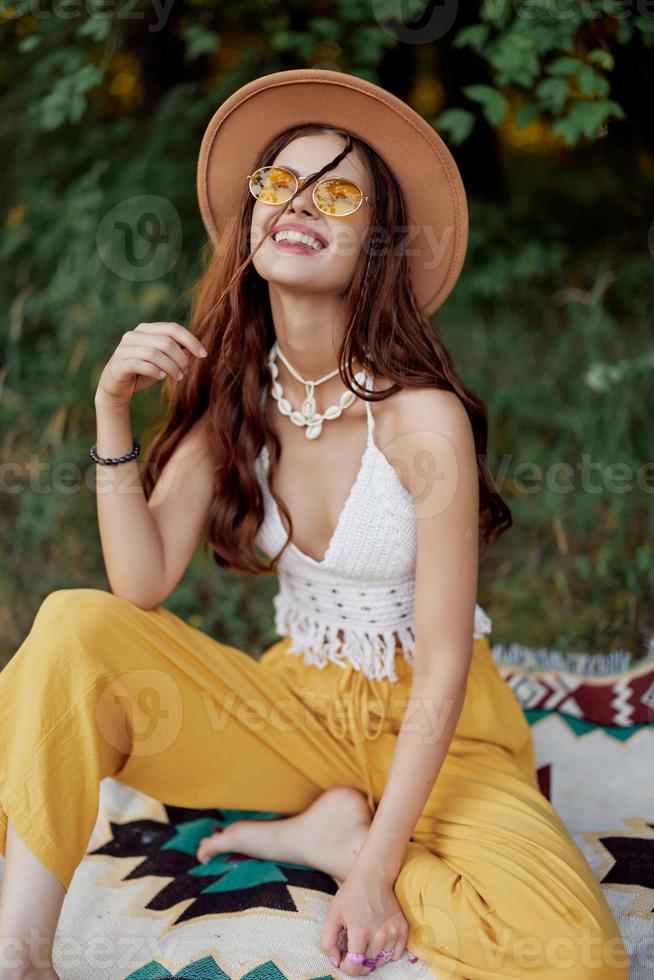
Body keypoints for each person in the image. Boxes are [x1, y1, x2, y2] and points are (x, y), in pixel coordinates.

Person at [0, 69, 628, 980]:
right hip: (296, 712)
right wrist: (109, 413)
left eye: (336, 192)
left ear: (376, 245)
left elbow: (446, 660)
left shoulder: (423, 421)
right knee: (70, 625)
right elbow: (139, 586)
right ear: (253, 213)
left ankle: (341, 838)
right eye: (278, 182)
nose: (297, 204)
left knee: (580, 958)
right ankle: (20, 957)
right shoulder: (234, 402)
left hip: (437, 731)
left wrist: (372, 873)